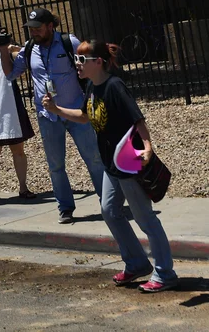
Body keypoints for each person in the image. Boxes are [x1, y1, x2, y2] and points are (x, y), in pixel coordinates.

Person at [42, 41, 178, 293]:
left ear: (98, 62)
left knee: (145, 219)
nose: (77, 65)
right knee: (109, 211)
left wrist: (147, 146)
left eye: (82, 60)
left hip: (127, 161)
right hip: (110, 164)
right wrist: (56, 109)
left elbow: (137, 118)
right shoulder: (92, 86)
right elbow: (84, 116)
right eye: (76, 59)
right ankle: (137, 263)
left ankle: (165, 273)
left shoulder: (115, 86)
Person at [0, 8, 105, 224]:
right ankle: (65, 208)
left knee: (94, 158)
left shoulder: (69, 42)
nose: (34, 33)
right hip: (47, 116)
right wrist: (3, 49)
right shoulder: (29, 49)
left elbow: (91, 67)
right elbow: (11, 74)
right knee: (56, 165)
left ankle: (109, 203)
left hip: (76, 112)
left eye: (38, 28)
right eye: (31, 29)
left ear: (50, 26)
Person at [0, 32, 36, 201]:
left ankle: (23, 187)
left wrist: (9, 48)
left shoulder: (8, 54)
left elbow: (25, 57)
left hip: (12, 108)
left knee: (18, 150)